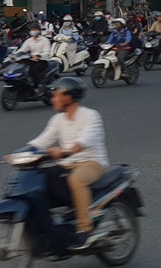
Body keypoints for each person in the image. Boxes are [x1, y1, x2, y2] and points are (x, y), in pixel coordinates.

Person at [21, 77, 110, 251]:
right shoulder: (58, 120)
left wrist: (65, 151)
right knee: (42, 179)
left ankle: (85, 230)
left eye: (56, 95)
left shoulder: (90, 116)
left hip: (91, 163)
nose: (53, 99)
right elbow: (43, 140)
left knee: (76, 180)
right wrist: (21, 152)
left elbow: (85, 140)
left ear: (68, 97)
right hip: (68, 163)